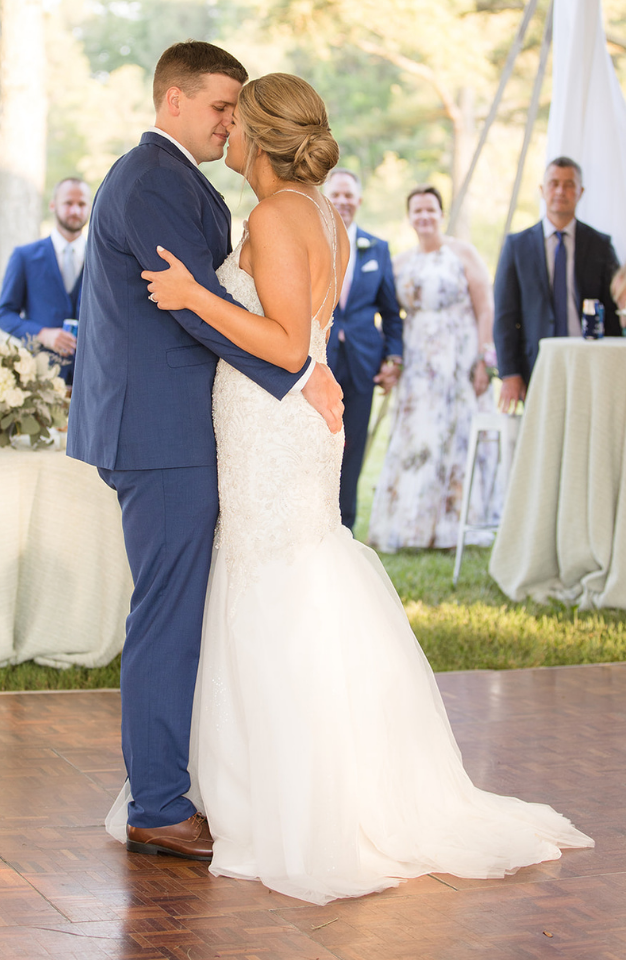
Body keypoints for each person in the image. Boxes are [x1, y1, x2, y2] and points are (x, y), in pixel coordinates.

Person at [135, 70, 591, 905]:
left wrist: (196, 293)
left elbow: (281, 343)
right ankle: (300, 776)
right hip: (286, 423)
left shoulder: (275, 216)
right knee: (293, 570)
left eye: (237, 121)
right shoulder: (322, 215)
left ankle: (285, 795)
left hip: (272, 422)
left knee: (272, 578)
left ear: (259, 138)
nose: (225, 131)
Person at [67, 41, 346, 862]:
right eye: (221, 106)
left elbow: (213, 303)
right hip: (158, 434)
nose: (231, 123)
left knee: (192, 610)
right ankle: (158, 803)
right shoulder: (152, 178)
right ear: (173, 101)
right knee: (168, 616)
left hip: (188, 427)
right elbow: (194, 307)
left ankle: (192, 784)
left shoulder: (181, 181)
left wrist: (297, 371)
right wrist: (299, 375)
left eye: (239, 110)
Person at [366, 186, 496, 551]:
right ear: (409, 217)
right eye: (417, 211)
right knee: (418, 437)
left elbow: (485, 307)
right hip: (419, 366)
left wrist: (485, 361)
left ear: (442, 213)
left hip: (459, 360)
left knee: (458, 436)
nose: (424, 216)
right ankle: (413, 526)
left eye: (430, 209)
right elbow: (390, 315)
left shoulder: (463, 253)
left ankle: (459, 525)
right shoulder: (401, 263)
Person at [494, 156, 622, 413]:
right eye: (553, 183)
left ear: (580, 191)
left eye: (569, 184)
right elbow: (505, 315)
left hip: (591, 362)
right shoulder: (516, 246)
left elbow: (617, 306)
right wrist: (510, 373)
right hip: (538, 364)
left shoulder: (600, 244)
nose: (560, 191)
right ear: (542, 190)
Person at [323, 167, 403, 529]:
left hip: (362, 364)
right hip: (318, 362)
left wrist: (393, 358)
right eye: (336, 195)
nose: (342, 201)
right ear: (326, 197)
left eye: (348, 196)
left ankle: (346, 528)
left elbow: (391, 313)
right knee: (317, 445)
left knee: (352, 449)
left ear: (359, 201)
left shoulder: (378, 248)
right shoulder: (311, 239)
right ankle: (315, 522)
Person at [0, 177, 91, 382]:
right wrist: (42, 334)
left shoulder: (102, 258)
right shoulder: (25, 256)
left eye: (82, 204)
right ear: (53, 204)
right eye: (68, 203)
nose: (75, 211)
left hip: (92, 377)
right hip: (40, 380)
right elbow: (4, 314)